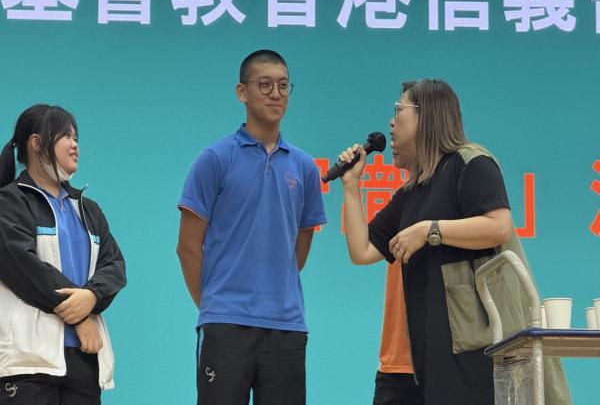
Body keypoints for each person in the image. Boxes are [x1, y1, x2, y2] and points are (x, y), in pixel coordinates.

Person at [338, 79, 571, 405]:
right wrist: (351, 187)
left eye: (399, 110)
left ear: (426, 116)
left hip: (473, 347)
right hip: (429, 351)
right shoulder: (411, 191)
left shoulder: (470, 162)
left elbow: (499, 226)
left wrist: (430, 230)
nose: (391, 123)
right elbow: (362, 251)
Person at [176, 49, 327, 405]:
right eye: (265, 85)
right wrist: (215, 304)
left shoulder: (304, 167)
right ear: (242, 92)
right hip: (226, 326)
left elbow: (301, 244)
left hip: (287, 326)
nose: (276, 94)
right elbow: (188, 248)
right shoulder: (215, 158)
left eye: (283, 86)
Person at [0, 104, 126, 405]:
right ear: (36, 142)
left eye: (76, 138)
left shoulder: (88, 210)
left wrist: (92, 296)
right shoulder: (10, 202)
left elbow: (114, 265)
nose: (75, 145)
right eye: (66, 136)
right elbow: (23, 267)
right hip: (28, 360)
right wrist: (80, 317)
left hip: (84, 357)